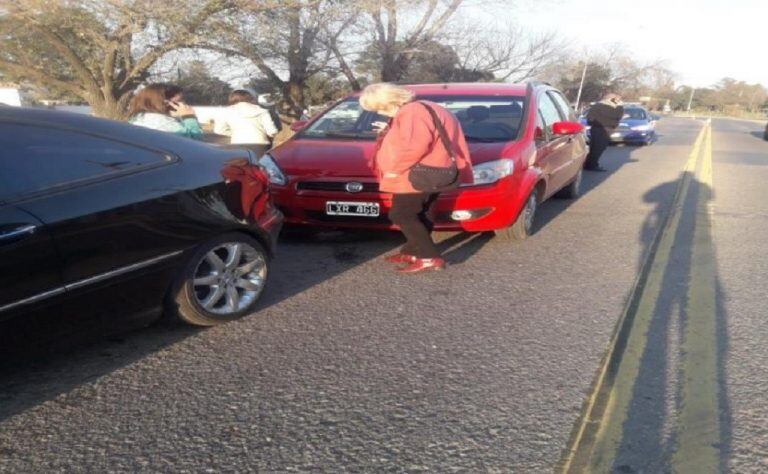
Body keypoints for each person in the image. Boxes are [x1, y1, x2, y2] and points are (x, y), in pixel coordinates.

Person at [360, 83, 473, 274]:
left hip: (415, 173)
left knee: (401, 214)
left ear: (390, 101)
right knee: (422, 211)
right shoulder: (424, 107)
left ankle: (429, 257)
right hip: (433, 170)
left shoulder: (412, 112)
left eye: (379, 107)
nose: (379, 112)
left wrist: (395, 169)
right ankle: (414, 251)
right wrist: (390, 129)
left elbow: (415, 145)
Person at [214, 90, 278, 156]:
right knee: (258, 165)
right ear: (249, 98)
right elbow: (272, 131)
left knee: (240, 165)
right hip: (260, 144)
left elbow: (219, 130)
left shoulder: (226, 111)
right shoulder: (262, 111)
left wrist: (235, 133)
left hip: (237, 143)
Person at [127, 84, 203, 139]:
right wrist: (189, 117)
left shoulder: (138, 118)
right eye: (179, 101)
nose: (183, 104)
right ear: (165, 102)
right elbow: (194, 143)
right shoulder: (160, 122)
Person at [585, 93, 624, 171]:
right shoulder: (611, 108)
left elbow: (589, 118)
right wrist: (620, 105)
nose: (618, 101)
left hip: (596, 128)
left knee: (594, 147)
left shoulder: (597, 105)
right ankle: (592, 165)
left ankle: (589, 163)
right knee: (599, 148)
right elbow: (618, 115)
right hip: (604, 129)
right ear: (611, 99)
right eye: (616, 99)